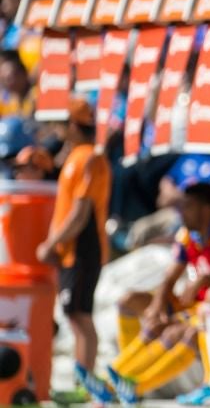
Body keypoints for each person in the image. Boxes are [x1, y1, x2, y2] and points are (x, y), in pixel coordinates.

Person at [108, 182, 210, 405]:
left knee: (174, 333)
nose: (182, 212)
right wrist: (157, 305)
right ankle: (117, 377)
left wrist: (207, 278)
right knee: (131, 302)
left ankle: (131, 385)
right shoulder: (187, 236)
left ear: (206, 210)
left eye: (189, 206)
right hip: (194, 305)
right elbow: (169, 278)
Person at [35, 98, 112, 402]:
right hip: (75, 249)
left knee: (80, 316)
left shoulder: (89, 158)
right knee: (75, 315)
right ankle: (85, 382)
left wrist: (52, 243)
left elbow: (81, 212)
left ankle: (85, 384)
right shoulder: (78, 157)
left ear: (71, 124)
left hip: (84, 247)